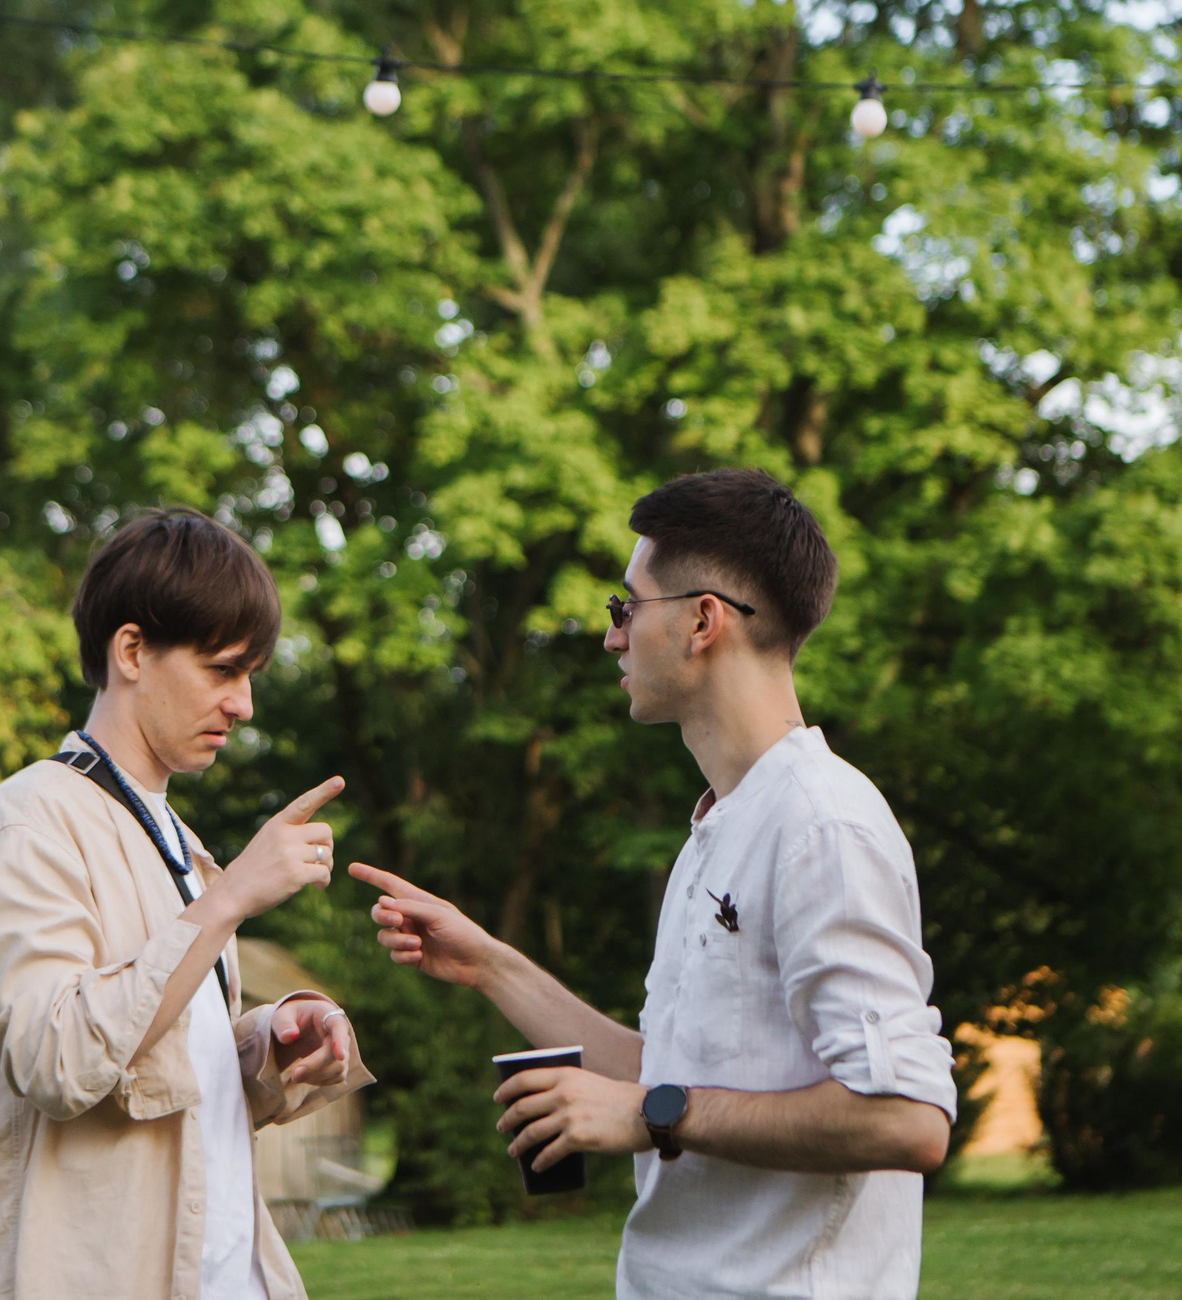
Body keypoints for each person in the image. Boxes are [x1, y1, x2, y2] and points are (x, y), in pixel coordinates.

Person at [353, 469, 958, 1300]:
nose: (612, 637)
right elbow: (672, 1073)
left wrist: (649, 1116)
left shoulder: (823, 824)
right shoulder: (721, 825)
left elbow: (906, 1116)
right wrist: (491, 963)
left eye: (625, 608)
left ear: (703, 620)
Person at [0, 507, 373, 1300]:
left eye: (250, 676)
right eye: (223, 670)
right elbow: (56, 1058)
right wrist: (230, 898)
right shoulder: (26, 825)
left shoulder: (174, 837)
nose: (244, 705)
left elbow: (160, 1061)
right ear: (131, 650)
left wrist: (271, 1041)